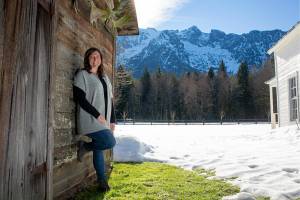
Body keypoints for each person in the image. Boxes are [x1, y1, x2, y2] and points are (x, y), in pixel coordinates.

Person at [73, 47, 116, 192]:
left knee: (99, 148)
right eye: (92, 56)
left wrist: (112, 120)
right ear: (87, 59)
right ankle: (84, 147)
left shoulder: (105, 78)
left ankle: (102, 182)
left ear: (101, 60)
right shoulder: (82, 74)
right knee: (110, 141)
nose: (95, 59)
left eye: (97, 56)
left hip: (103, 122)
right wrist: (97, 114)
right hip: (90, 119)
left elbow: (110, 100)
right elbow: (80, 99)